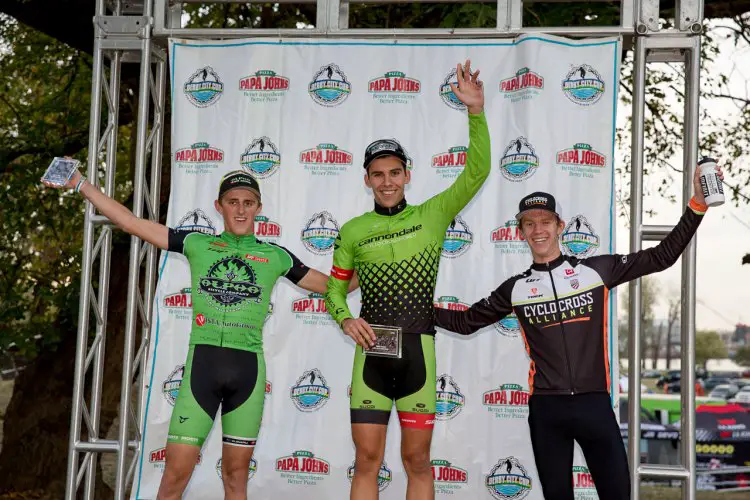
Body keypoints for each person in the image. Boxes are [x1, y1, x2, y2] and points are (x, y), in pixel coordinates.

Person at [44, 169, 354, 500]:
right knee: (174, 478)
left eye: (248, 203)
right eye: (232, 202)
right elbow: (132, 223)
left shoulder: (275, 256)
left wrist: (380, 263)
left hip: (247, 374)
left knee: (236, 478)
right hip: (201, 373)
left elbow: (336, 287)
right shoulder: (197, 243)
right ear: (218, 206)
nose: (240, 210)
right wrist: (80, 183)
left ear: (258, 208)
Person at [433, 165, 723, 500]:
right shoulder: (516, 289)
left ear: (560, 226)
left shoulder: (595, 272)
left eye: (545, 221)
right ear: (520, 232)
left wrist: (697, 205)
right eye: (529, 223)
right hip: (546, 411)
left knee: (617, 494)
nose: (538, 229)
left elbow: (662, 256)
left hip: (594, 405)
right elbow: (464, 322)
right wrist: (409, 312)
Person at [325, 59, 489, 500]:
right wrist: (343, 319)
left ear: (406, 175)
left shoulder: (432, 215)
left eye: (394, 172)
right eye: (378, 174)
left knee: (417, 462)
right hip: (371, 351)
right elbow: (335, 288)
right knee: (367, 462)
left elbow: (476, 173)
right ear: (367, 180)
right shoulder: (354, 230)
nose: (386, 181)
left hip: (419, 347)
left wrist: (476, 113)